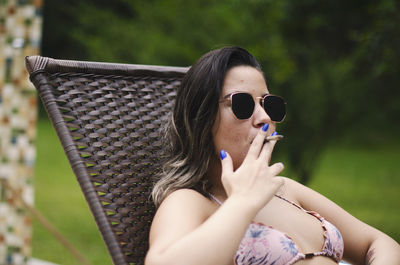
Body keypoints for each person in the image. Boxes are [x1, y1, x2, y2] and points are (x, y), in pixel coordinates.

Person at [144, 46, 400, 265]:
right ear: (200, 120)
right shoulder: (190, 200)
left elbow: (378, 243)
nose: (265, 117)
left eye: (269, 104)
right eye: (242, 104)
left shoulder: (285, 190)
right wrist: (242, 202)